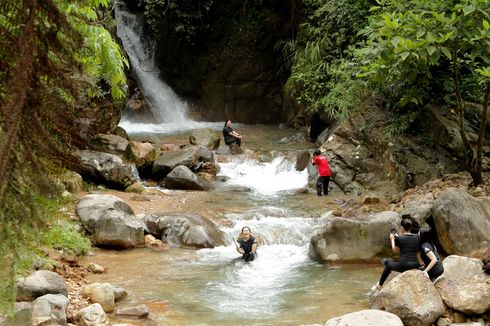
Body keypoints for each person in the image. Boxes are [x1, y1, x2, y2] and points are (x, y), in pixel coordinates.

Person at [372, 218, 420, 291]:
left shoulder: (399, 238)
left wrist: (392, 239)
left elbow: (395, 250)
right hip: (415, 265)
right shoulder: (417, 237)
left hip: (404, 266)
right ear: (410, 227)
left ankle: (380, 285)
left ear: (402, 227)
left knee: (388, 265)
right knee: (390, 261)